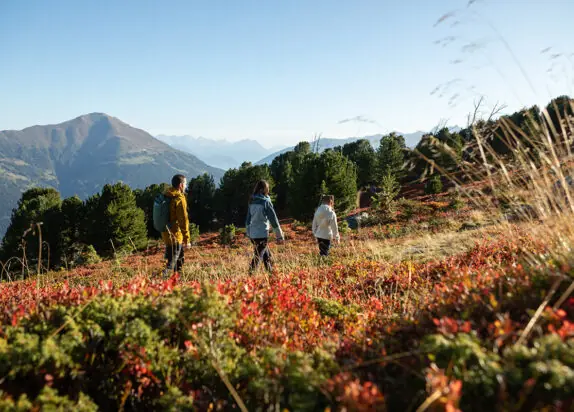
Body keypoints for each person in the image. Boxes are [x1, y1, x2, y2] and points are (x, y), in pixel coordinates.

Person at [245, 180, 284, 273]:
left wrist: (249, 233)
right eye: (268, 188)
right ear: (264, 189)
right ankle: (251, 274)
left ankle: (271, 274)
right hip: (262, 233)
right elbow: (274, 220)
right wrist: (279, 236)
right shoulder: (266, 202)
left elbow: (247, 220)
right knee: (258, 256)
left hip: (253, 234)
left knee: (266, 255)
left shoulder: (251, 201)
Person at [162, 174, 191, 276]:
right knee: (172, 263)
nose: (186, 186)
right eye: (185, 184)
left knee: (179, 260)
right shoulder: (179, 199)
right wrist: (187, 240)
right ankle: (160, 281)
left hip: (166, 234)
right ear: (180, 185)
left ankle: (175, 283)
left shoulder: (166, 195)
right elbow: (183, 221)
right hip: (175, 235)